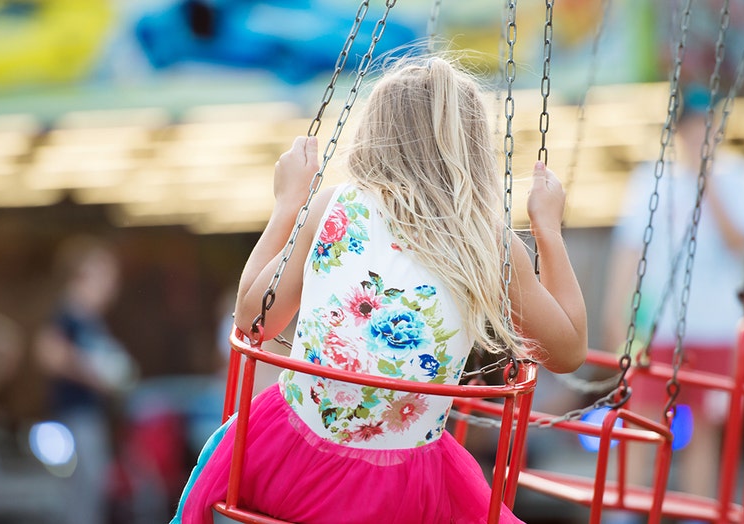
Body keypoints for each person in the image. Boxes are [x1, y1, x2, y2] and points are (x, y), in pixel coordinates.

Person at [172, 55, 588, 524]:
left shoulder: (334, 206)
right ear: (472, 146)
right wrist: (547, 230)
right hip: (399, 496)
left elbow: (254, 319)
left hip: (287, 463)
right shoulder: (488, 243)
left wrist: (288, 204)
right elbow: (568, 351)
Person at [602, 86, 744, 517]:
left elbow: (741, 242)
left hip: (717, 324)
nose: (699, 135)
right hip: (661, 326)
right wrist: (617, 311)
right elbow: (630, 251)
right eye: (691, 127)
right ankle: (623, 511)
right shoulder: (650, 179)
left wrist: (707, 180)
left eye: (708, 127)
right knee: (642, 419)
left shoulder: (738, 176)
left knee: (706, 429)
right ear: (677, 130)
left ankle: (696, 514)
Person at [34, 236, 136, 524]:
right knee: (81, 492)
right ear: (82, 275)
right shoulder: (69, 313)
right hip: (75, 417)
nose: (110, 287)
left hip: (90, 416)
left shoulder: (91, 320)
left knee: (92, 490)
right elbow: (48, 353)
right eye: (104, 277)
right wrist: (93, 373)